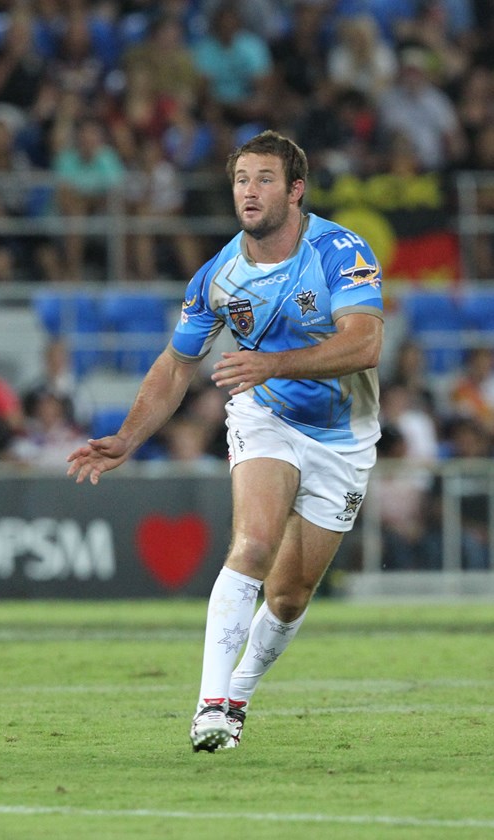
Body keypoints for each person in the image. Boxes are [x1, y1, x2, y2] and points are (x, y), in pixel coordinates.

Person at [66, 129, 384, 752]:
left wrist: (272, 363)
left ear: (295, 190)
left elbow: (365, 343)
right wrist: (128, 437)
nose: (249, 191)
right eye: (241, 180)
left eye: (264, 179)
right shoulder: (219, 276)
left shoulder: (340, 251)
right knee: (254, 542)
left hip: (344, 436)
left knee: (289, 596)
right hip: (265, 417)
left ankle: (238, 692)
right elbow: (176, 365)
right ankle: (210, 706)